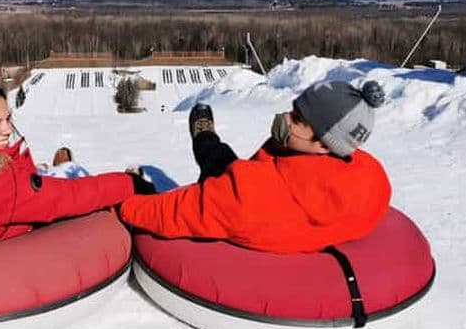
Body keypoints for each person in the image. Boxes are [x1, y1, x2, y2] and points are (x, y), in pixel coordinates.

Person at [118, 80, 391, 253]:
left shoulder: (249, 195)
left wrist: (127, 204)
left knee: (215, 158)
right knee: (225, 166)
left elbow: (179, 212)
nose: (285, 117)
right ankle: (207, 140)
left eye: (297, 118)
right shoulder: (373, 177)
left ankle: (204, 136)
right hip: (266, 196)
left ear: (324, 144)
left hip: (243, 201)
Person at [0, 80, 154, 243]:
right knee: (69, 178)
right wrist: (128, 184)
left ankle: (52, 168)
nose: (8, 129)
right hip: (17, 211)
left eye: (8, 118)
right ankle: (66, 167)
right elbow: (68, 197)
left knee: (38, 175)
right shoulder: (0, 184)